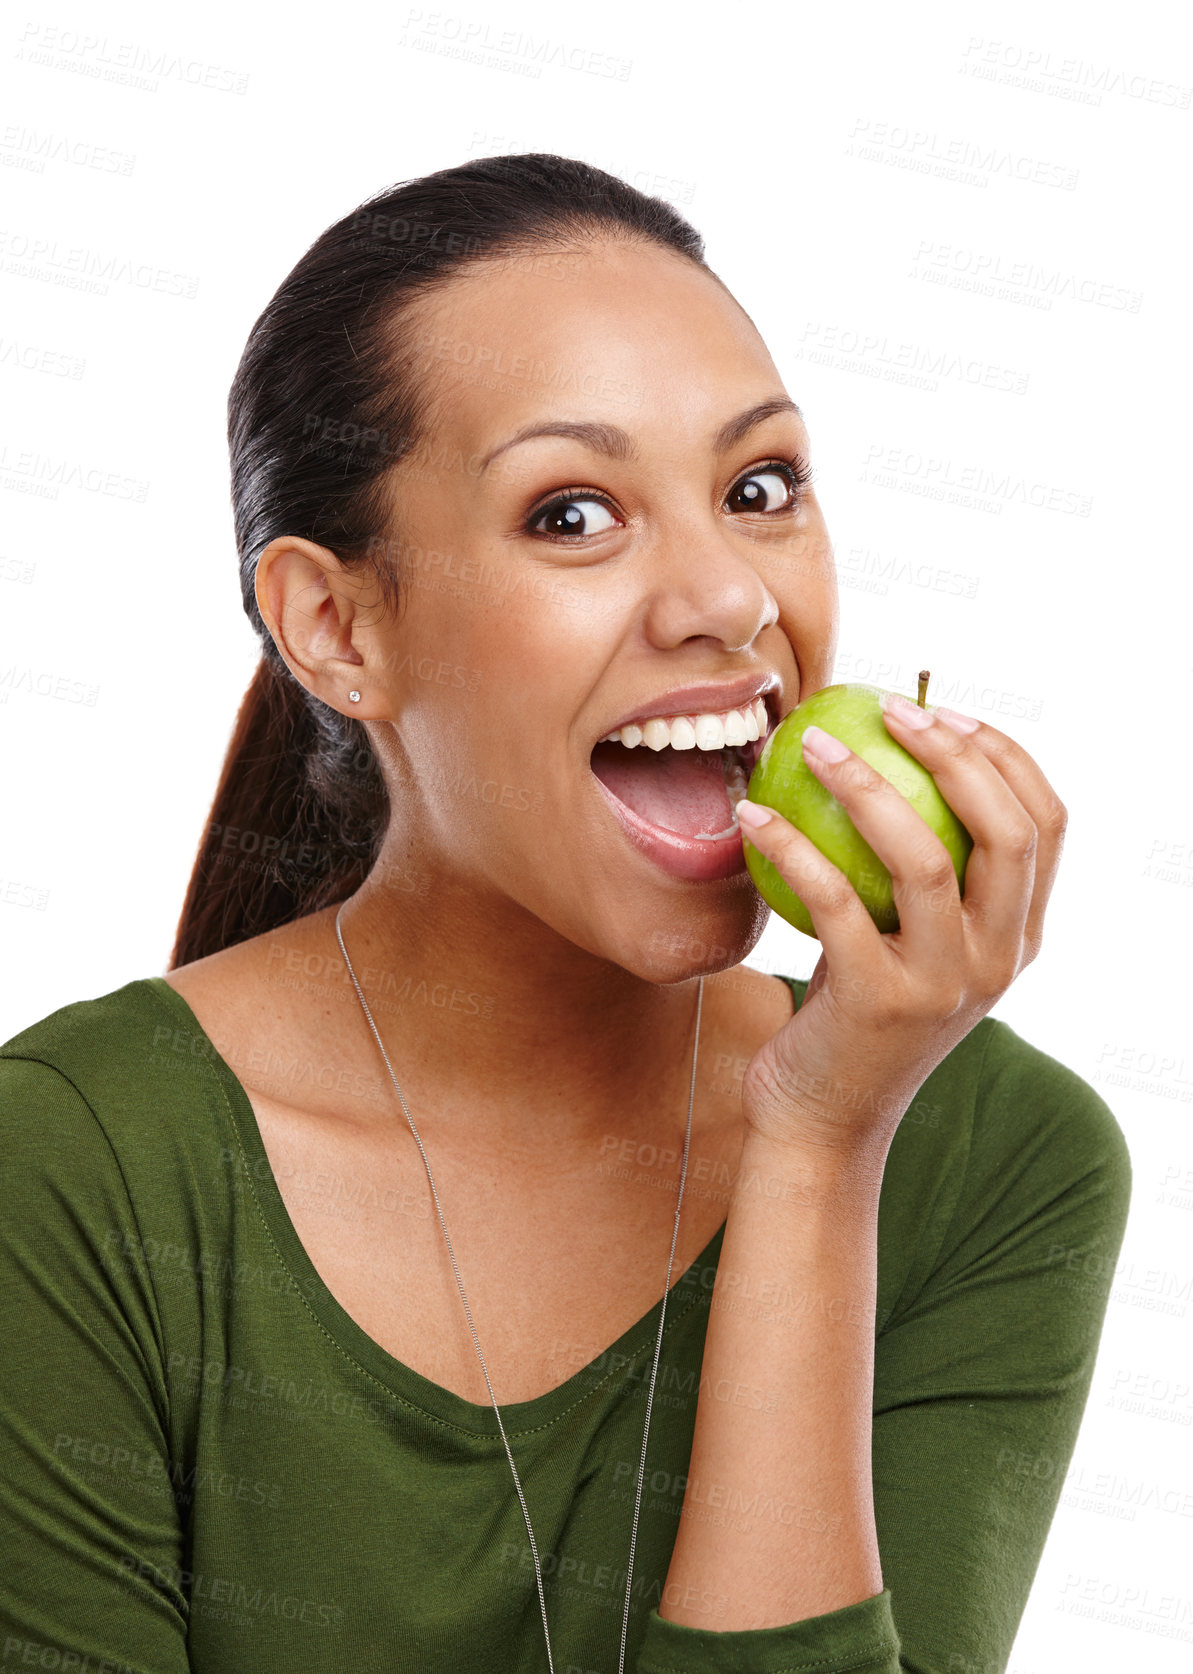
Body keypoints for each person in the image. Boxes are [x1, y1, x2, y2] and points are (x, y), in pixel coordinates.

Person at [0, 153, 1131, 1673]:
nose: (726, 596)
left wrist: (819, 1148)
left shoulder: (984, 1157)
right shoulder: (71, 1167)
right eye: (575, 513)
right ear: (337, 627)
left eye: (758, 488)